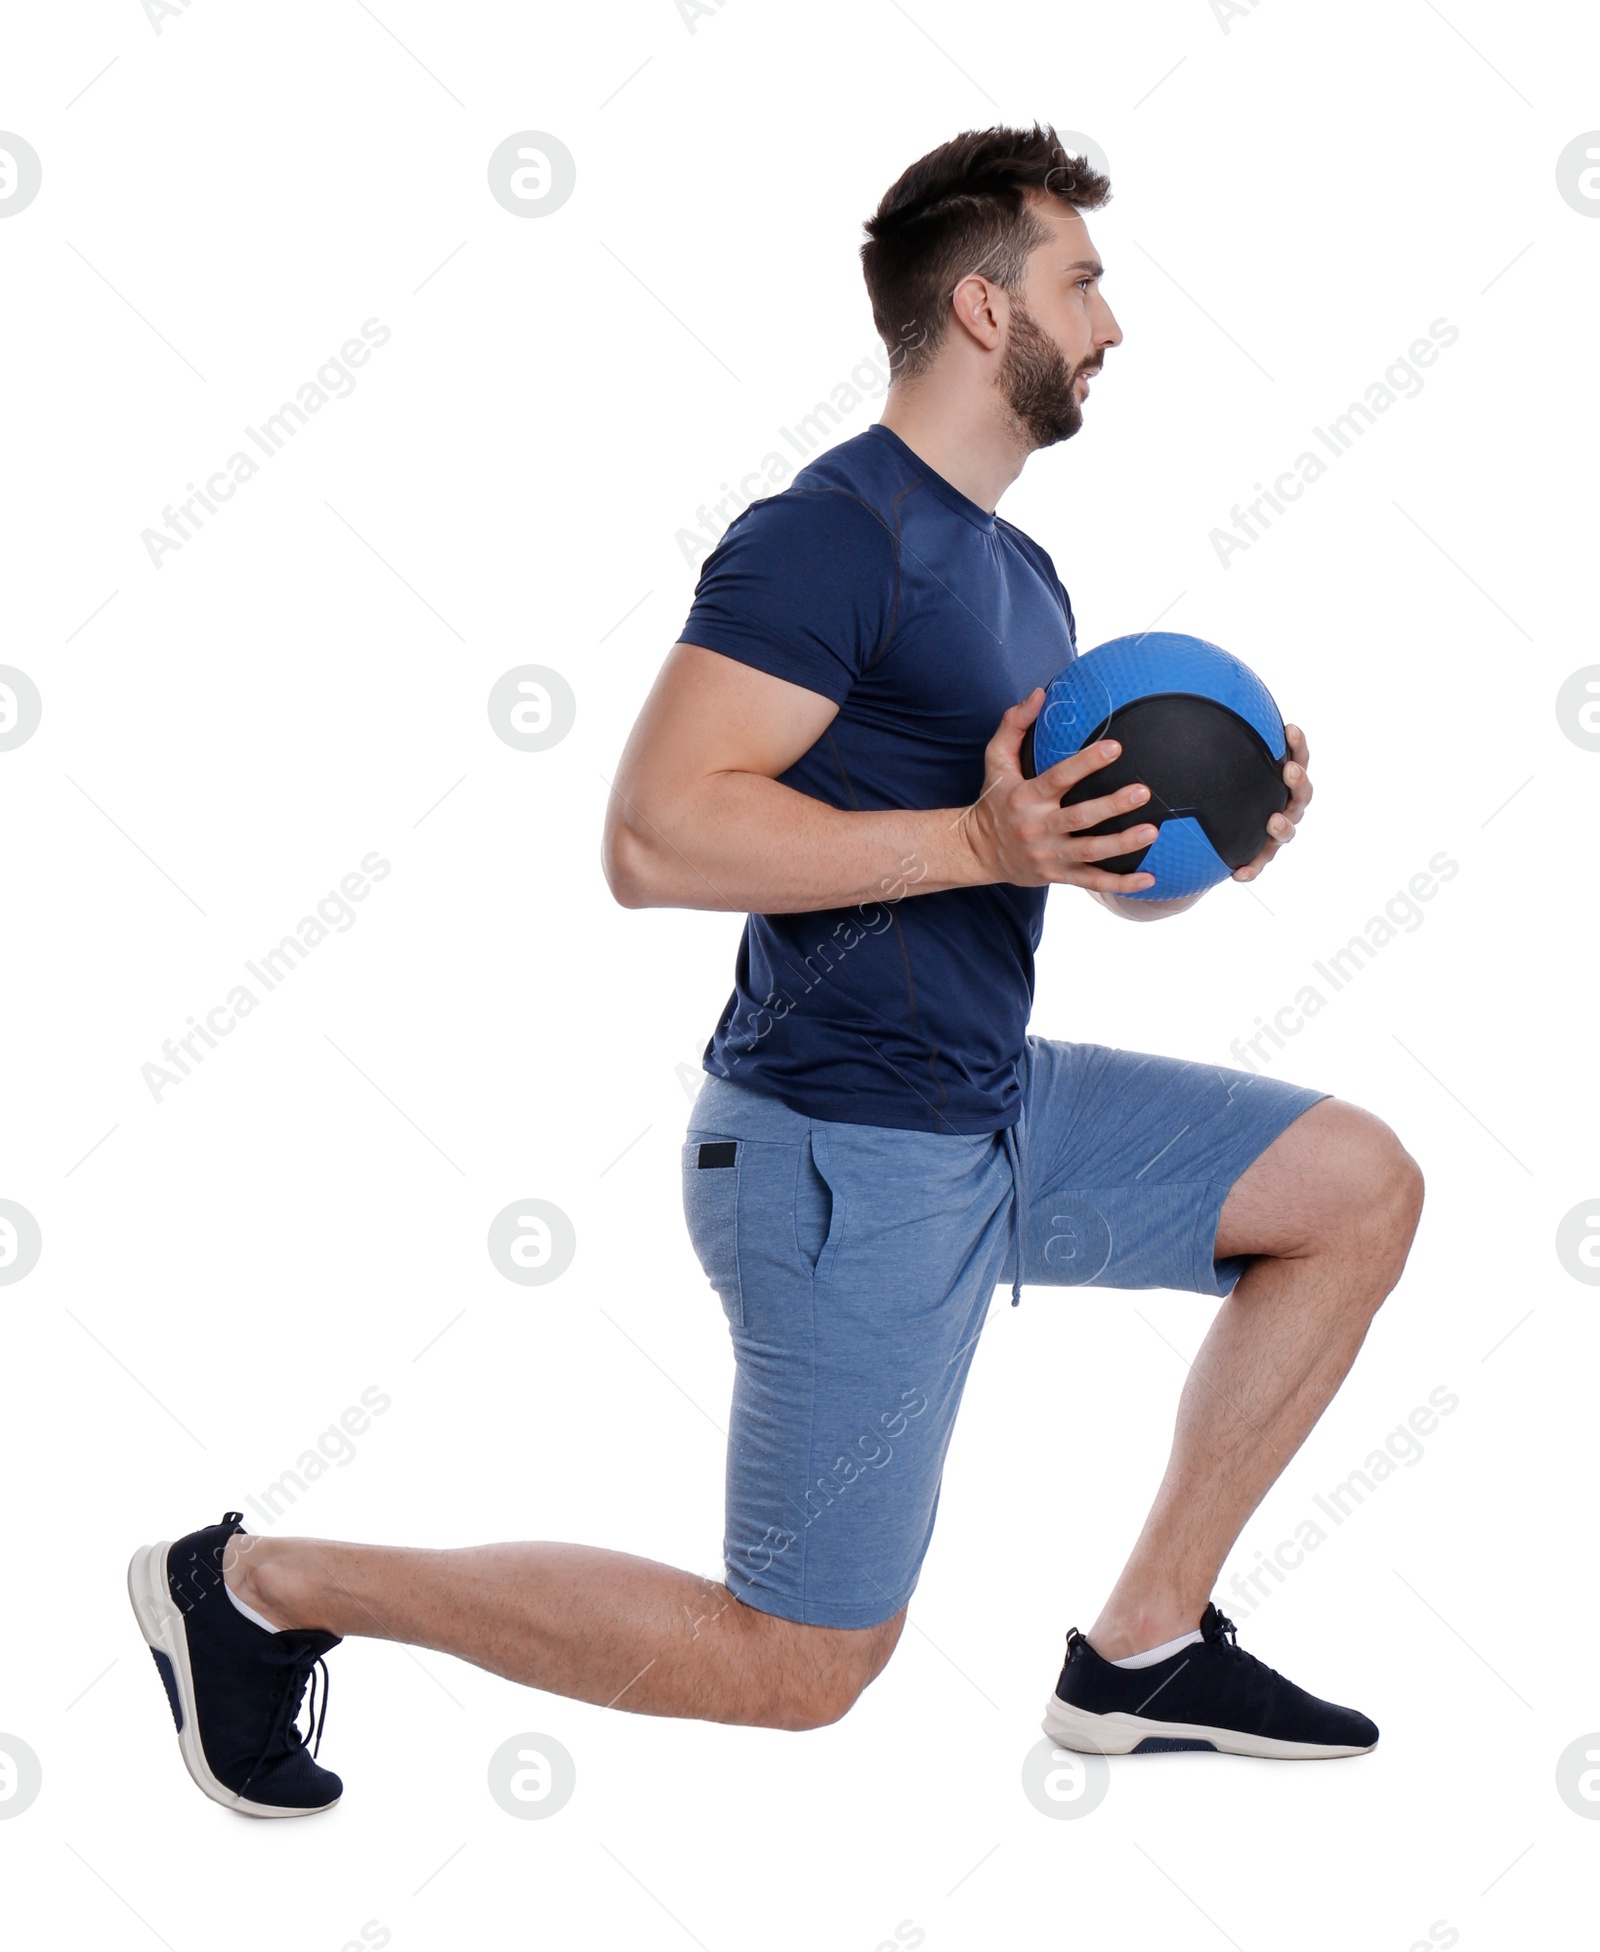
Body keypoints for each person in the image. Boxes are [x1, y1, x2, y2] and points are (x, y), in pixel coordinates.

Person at [129, 123, 1423, 1815]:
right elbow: (655, 841)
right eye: (1085, 281)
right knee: (798, 1664)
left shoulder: (1021, 577)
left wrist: (1213, 842)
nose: (1115, 323)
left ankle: (1142, 1648)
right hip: (839, 1151)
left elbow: (1043, 859)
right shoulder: (834, 535)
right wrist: (980, 846)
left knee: (1354, 1187)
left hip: (984, 1107)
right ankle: (253, 1588)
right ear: (981, 309)